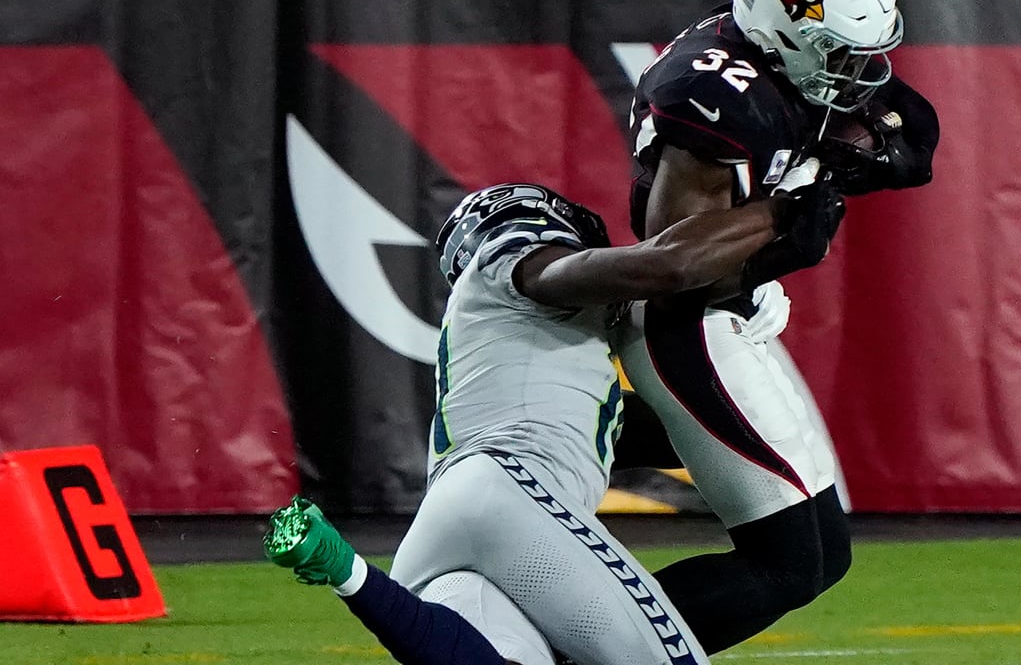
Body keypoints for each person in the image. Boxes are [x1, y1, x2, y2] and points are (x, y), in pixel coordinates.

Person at [265, 179, 843, 665]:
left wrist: (350, 575)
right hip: (509, 496)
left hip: (458, 514)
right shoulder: (512, 264)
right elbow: (652, 269)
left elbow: (688, 429)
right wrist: (770, 236)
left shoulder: (537, 361)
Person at [613, 0, 940, 653]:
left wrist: (835, 161)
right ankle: (573, 648)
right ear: (783, 26)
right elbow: (670, 263)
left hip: (730, 313)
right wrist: (784, 235)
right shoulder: (716, 93)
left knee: (822, 557)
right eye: (838, 56)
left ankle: (573, 443)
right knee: (786, 565)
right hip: (689, 323)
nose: (856, 78)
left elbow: (912, 131)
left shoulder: (774, 59)